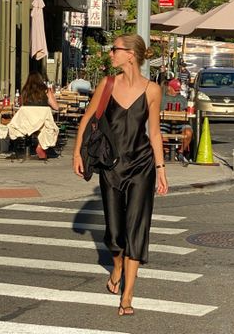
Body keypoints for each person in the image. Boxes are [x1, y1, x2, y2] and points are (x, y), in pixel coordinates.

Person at [73, 34, 168, 316]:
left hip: (142, 167)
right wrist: (77, 152)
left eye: (115, 49)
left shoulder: (152, 90)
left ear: (131, 55)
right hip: (111, 166)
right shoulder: (107, 84)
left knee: (137, 228)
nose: (110, 53)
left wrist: (161, 170)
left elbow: (154, 132)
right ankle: (117, 266)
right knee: (115, 232)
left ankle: (127, 296)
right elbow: (88, 117)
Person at [21, 71, 59, 159]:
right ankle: (41, 146)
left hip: (27, 123)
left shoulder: (24, 91)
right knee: (50, 128)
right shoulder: (45, 90)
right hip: (42, 123)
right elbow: (56, 107)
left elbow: (21, 105)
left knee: (44, 126)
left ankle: (32, 149)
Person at [160, 78, 193, 166]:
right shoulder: (161, 98)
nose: (177, 92)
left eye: (178, 90)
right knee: (160, 132)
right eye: (175, 90)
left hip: (180, 123)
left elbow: (186, 110)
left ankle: (180, 152)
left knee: (188, 132)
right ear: (169, 88)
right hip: (165, 121)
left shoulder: (182, 99)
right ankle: (167, 153)